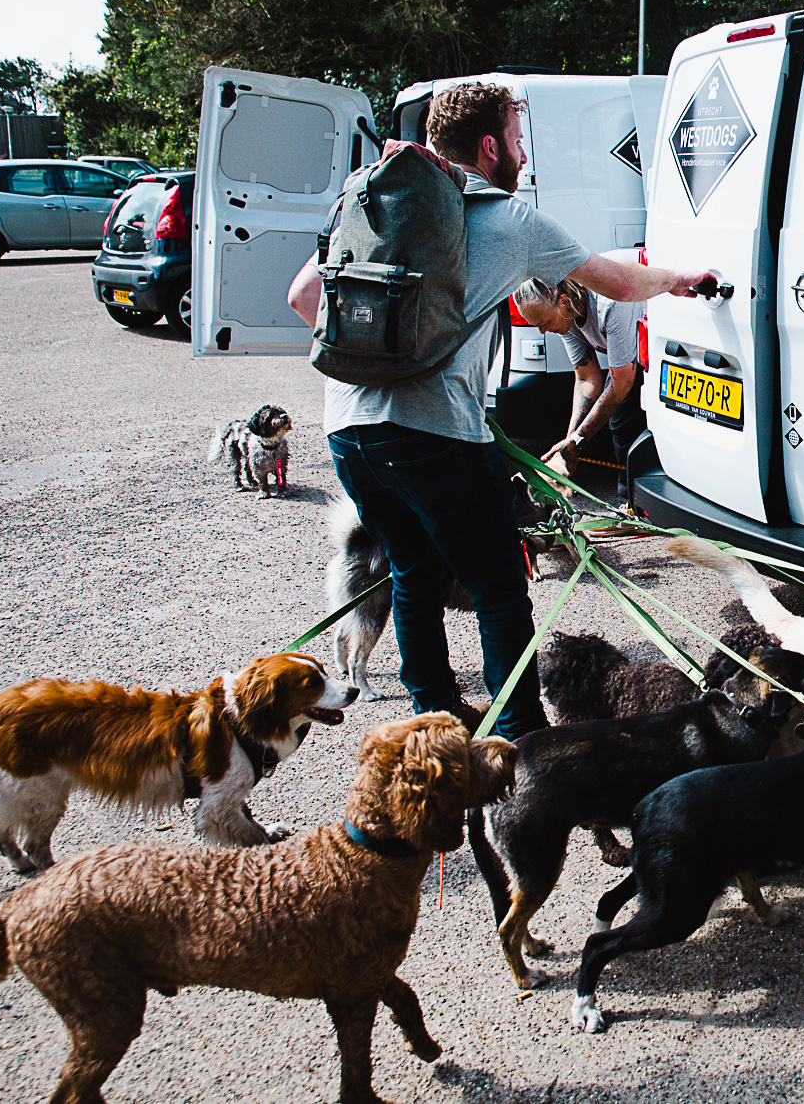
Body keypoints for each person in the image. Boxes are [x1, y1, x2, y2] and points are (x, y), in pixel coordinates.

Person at [284, 82, 716, 738]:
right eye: (518, 142)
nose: (522, 156)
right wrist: (685, 280)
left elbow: (301, 298)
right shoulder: (510, 221)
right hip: (433, 434)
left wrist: (385, 362)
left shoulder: (372, 202)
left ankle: (432, 718)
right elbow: (621, 282)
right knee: (497, 584)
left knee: (413, 571)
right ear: (490, 147)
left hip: (348, 430)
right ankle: (520, 733)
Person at [512, 276, 646, 504]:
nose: (543, 331)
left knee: (622, 418)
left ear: (563, 302)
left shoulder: (610, 303)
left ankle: (635, 504)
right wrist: (570, 442)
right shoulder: (567, 315)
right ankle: (632, 500)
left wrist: (579, 440)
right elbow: (587, 379)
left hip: (656, 342)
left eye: (543, 322)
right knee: (616, 416)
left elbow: (621, 382)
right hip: (636, 355)